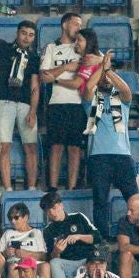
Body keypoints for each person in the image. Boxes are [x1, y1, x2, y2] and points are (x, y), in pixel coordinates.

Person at [0, 0, 40, 190]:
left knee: (31, 146)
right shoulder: (3, 48)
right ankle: (8, 189)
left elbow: (35, 87)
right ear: (17, 33)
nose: (26, 38)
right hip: (4, 102)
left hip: (26, 104)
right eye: (24, 33)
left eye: (31, 35)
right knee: (4, 146)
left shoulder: (34, 58)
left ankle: (31, 188)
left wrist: (33, 111)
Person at [82, 56, 139, 236]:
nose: (106, 80)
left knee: (134, 199)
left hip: (123, 157)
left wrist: (107, 71)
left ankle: (138, 234)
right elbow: (88, 87)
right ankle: (103, 239)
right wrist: (101, 67)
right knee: (100, 201)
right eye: (103, 77)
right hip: (98, 158)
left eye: (108, 77)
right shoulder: (92, 101)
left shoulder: (121, 100)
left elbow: (126, 89)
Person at [41, 13, 86, 191]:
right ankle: (53, 187)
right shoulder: (51, 47)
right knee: (56, 146)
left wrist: (55, 75)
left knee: (75, 148)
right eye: (76, 24)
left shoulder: (81, 47)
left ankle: (72, 187)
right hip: (56, 103)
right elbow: (44, 77)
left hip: (78, 103)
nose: (79, 28)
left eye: (80, 25)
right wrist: (67, 67)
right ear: (64, 25)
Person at [43, 192, 100, 278]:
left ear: (61, 205)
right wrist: (56, 251)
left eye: (54, 208)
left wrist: (79, 236)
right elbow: (49, 257)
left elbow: (97, 237)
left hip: (87, 259)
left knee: (98, 259)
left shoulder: (78, 217)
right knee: (54, 263)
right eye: (48, 211)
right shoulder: (48, 230)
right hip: (68, 265)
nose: (53, 213)